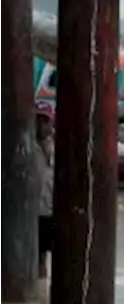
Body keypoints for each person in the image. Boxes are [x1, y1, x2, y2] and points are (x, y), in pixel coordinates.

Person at [36, 107, 54, 280]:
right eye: (38, 120)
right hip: (34, 212)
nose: (42, 125)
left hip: (52, 211)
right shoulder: (27, 147)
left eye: (45, 121)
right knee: (37, 257)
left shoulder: (58, 147)